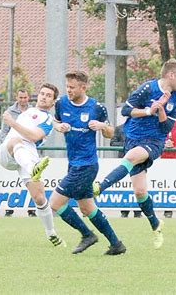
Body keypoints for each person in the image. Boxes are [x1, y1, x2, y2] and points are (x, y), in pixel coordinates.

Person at [93, 59, 176, 249]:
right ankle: (156, 225)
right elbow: (126, 110)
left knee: (131, 157)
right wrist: (149, 110)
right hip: (133, 138)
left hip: (154, 142)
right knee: (140, 192)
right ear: (171, 75)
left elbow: (167, 126)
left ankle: (99, 188)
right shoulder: (148, 89)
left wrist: (160, 110)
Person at [50, 71, 126, 256]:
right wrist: (58, 126)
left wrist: (102, 126)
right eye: (67, 86)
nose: (68, 90)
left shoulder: (96, 107)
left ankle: (87, 235)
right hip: (73, 163)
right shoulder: (61, 103)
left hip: (87, 165)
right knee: (87, 207)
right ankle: (116, 244)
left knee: (55, 202)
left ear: (83, 87)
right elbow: (55, 121)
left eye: (72, 87)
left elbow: (110, 133)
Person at [0, 83, 65, 247]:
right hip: (11, 148)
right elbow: (14, 134)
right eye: (42, 93)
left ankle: (51, 233)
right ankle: (33, 169)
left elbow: (33, 136)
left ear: (52, 102)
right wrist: (4, 150)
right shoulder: (29, 111)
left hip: (26, 152)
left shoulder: (47, 119)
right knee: (16, 141)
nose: (44, 97)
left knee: (39, 197)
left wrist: (12, 122)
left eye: (48, 95)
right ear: (37, 95)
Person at [0, 88, 33, 217]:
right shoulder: (9, 112)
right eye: (21, 97)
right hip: (13, 151)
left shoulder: (33, 112)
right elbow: (3, 133)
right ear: (17, 98)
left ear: (28, 97)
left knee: (30, 179)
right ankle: (9, 208)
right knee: (11, 180)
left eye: (25, 97)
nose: (23, 100)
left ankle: (31, 208)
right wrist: (7, 147)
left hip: (28, 151)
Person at [110, 124, 141, 218]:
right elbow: (113, 143)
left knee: (137, 185)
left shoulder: (140, 127)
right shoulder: (119, 128)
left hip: (138, 161)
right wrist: (127, 144)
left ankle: (138, 210)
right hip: (124, 161)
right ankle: (124, 211)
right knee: (124, 184)